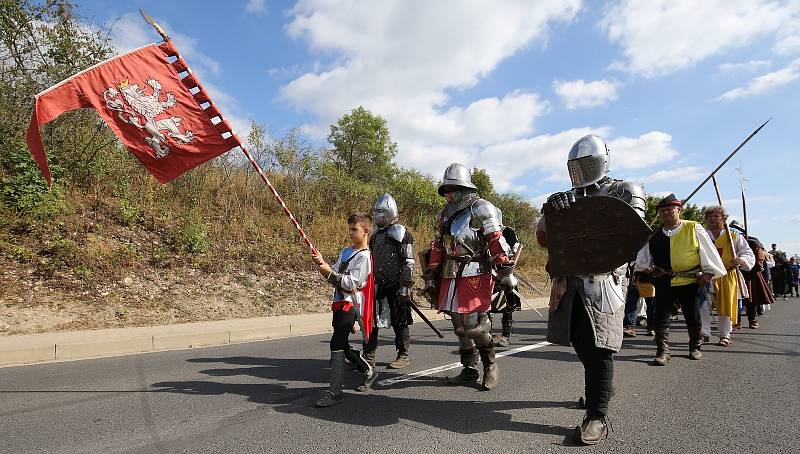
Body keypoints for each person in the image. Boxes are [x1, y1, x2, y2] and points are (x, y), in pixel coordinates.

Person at [537, 134, 645, 445]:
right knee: (579, 341)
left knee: (600, 349)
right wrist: (551, 213)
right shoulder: (567, 197)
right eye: (576, 166)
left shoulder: (624, 190)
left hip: (603, 280)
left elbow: (631, 237)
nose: (580, 171)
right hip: (568, 281)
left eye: (586, 164)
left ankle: (597, 415)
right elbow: (544, 238)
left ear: (601, 162)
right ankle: (602, 388)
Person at [422, 163, 516, 391]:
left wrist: (505, 271)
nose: (449, 194)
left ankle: (490, 365)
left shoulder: (482, 208)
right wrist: (431, 274)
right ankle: (469, 369)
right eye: (447, 190)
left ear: (464, 188)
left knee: (474, 327)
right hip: (450, 274)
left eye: (452, 189)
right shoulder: (443, 215)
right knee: (459, 328)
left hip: (476, 273)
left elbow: (496, 240)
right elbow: (437, 246)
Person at [635, 194, 726, 365]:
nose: (667, 213)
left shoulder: (693, 227)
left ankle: (695, 346)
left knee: (692, 316)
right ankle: (662, 351)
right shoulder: (653, 234)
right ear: (659, 214)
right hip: (664, 280)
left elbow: (708, 251)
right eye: (663, 210)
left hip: (690, 281)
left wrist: (708, 273)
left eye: (670, 209)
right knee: (660, 316)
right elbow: (642, 260)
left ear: (679, 210)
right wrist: (645, 269)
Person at [311, 213, 377, 407]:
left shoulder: (365, 257)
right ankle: (368, 369)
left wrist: (328, 272)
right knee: (342, 343)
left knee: (336, 343)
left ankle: (335, 392)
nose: (350, 233)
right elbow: (336, 272)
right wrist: (323, 264)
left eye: (354, 229)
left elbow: (351, 283)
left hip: (351, 305)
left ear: (366, 231)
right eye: (349, 229)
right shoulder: (346, 252)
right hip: (339, 303)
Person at [367, 193, 416, 375]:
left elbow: (408, 261)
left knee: (399, 321)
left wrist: (405, 286)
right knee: (373, 320)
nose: (378, 214)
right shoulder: (375, 235)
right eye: (376, 211)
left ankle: (403, 354)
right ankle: (369, 355)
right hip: (378, 284)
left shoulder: (400, 232)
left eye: (381, 211)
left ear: (390, 211)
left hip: (397, 283)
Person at [701, 206, 755, 346]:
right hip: (708, 275)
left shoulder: (734, 236)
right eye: (710, 216)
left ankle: (725, 335)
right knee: (703, 305)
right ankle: (704, 333)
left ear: (724, 219)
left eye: (716, 216)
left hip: (727, 274)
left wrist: (741, 260)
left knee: (726, 307)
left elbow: (747, 253)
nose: (713, 218)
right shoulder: (702, 236)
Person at [730, 222, 774, 328]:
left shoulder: (752, 242)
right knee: (735, 298)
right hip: (733, 272)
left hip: (750, 273)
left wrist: (751, 268)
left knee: (751, 299)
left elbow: (759, 258)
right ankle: (737, 321)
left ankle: (752, 319)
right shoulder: (729, 239)